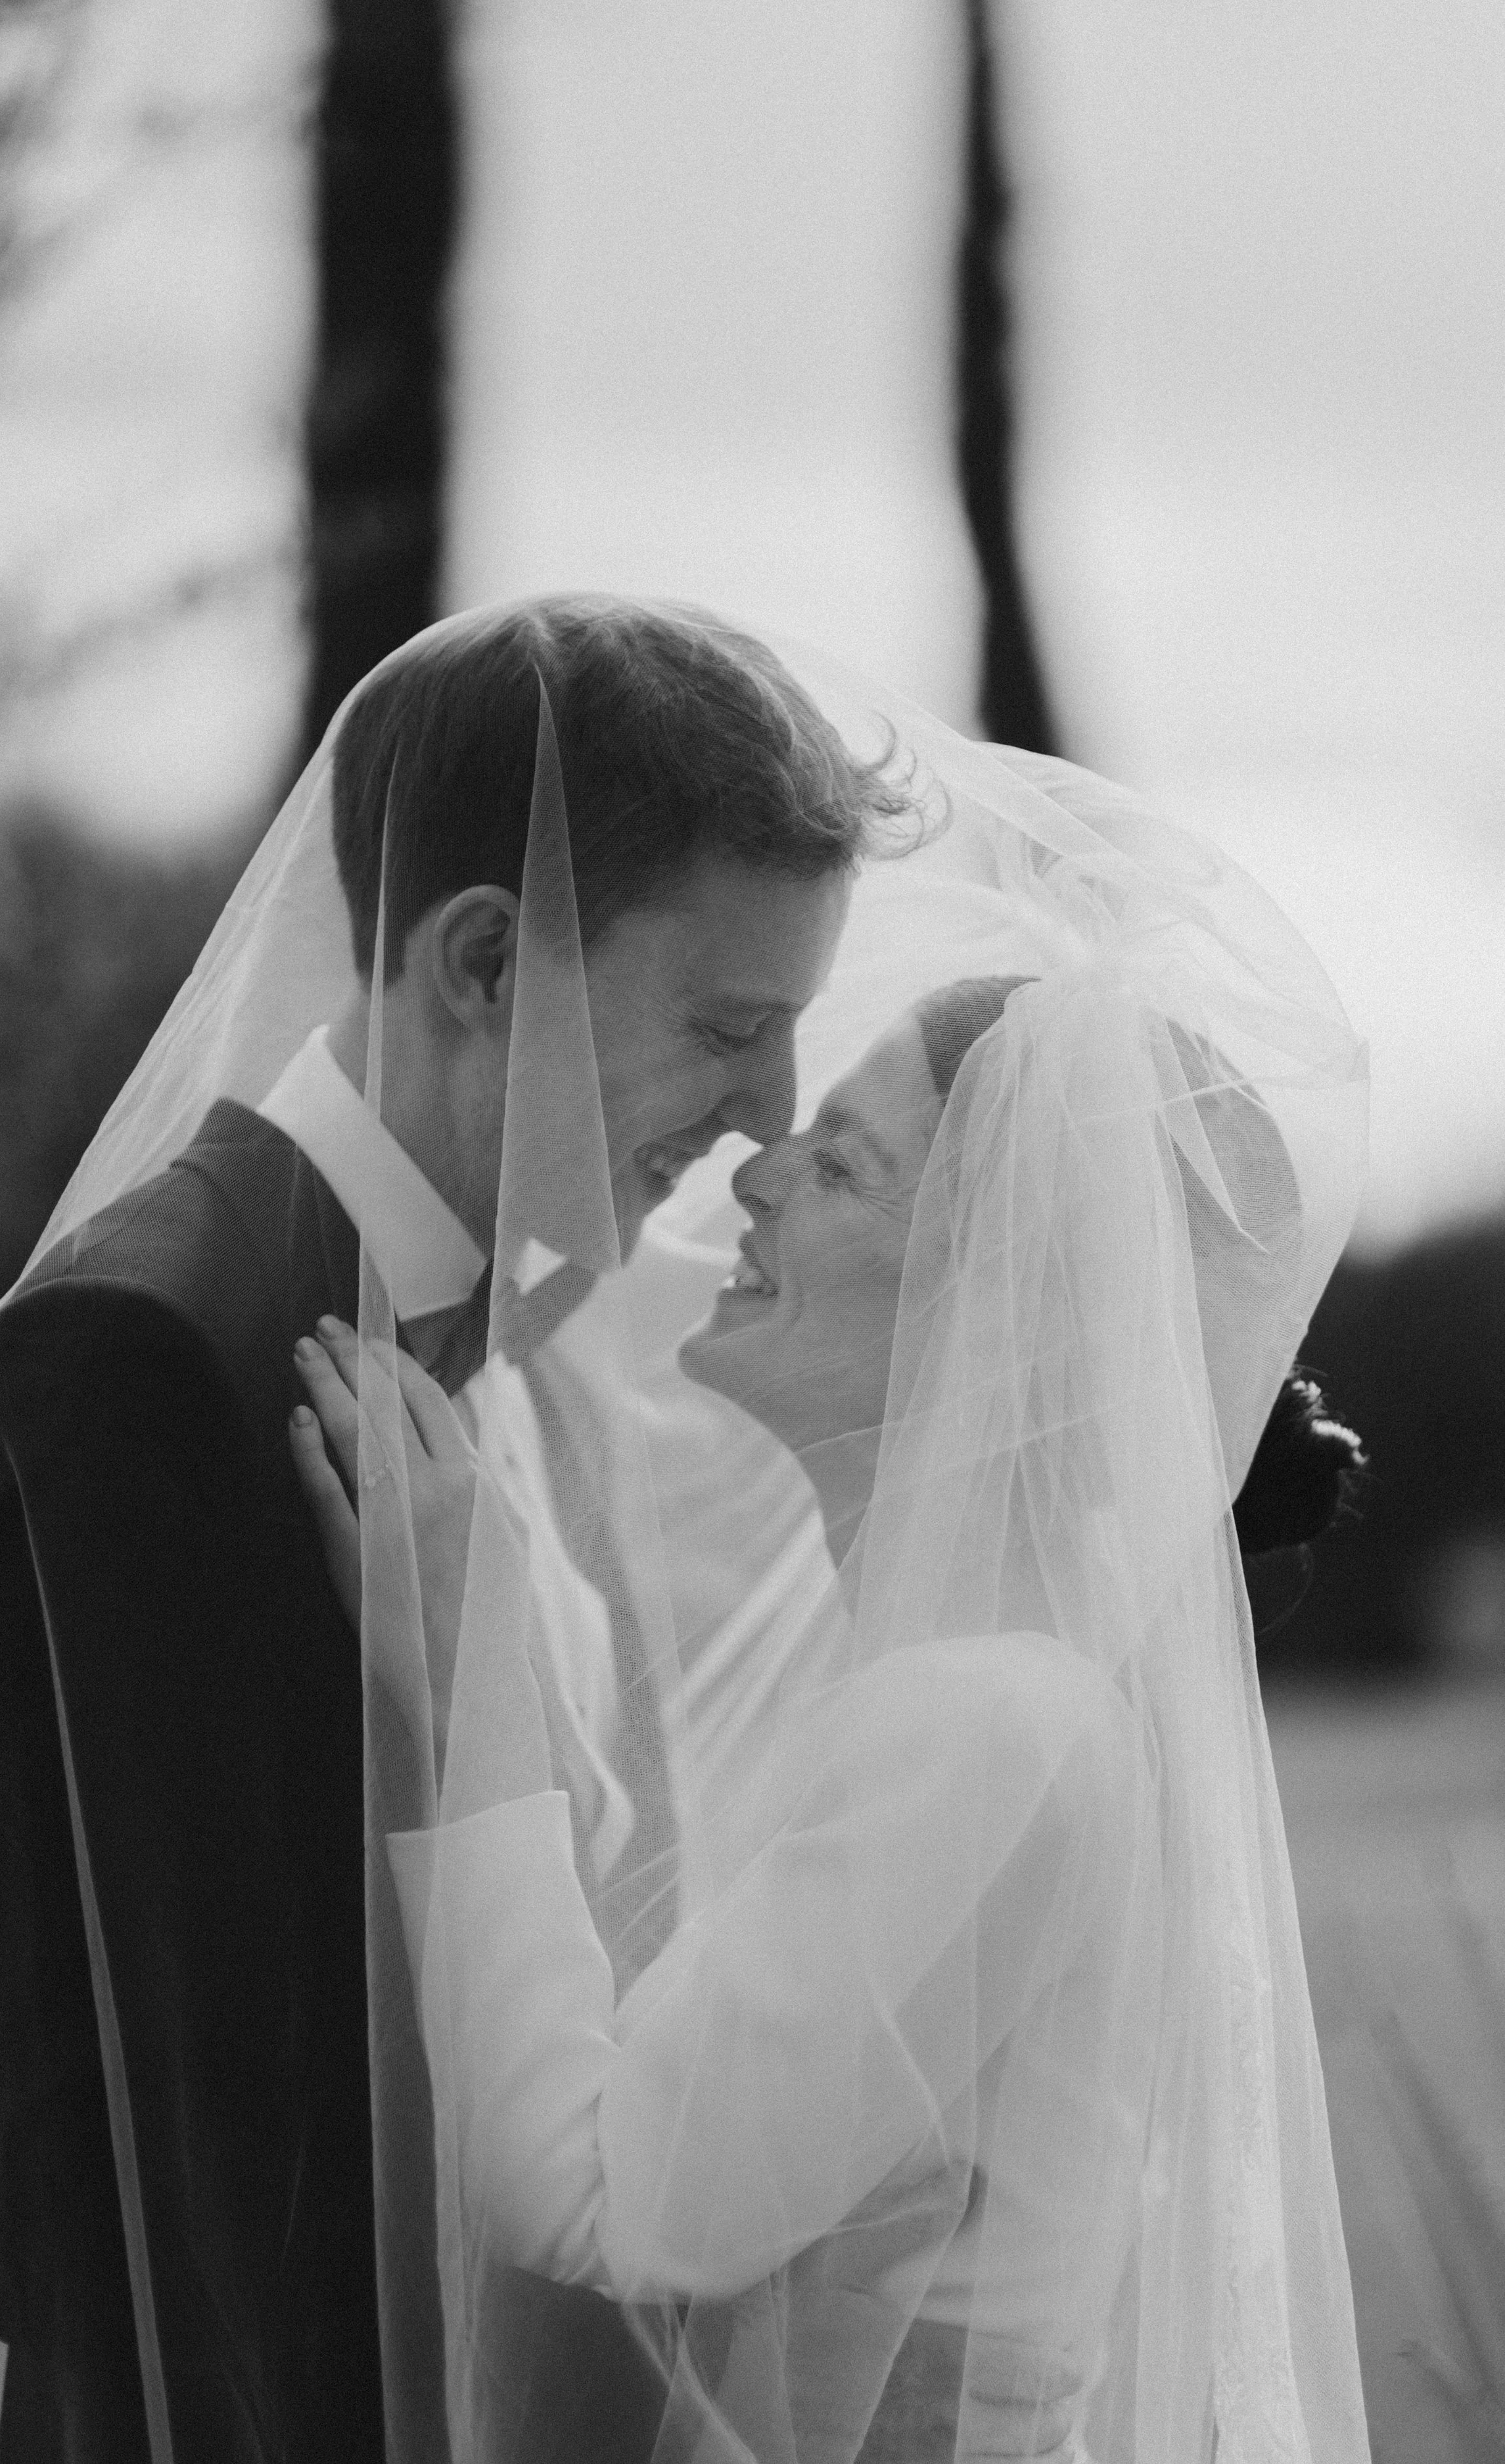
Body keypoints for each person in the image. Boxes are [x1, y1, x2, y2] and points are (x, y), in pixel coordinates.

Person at [279, 641, 1374, 2462]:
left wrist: (453, 1653)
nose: (761, 1165)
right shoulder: (957, 1683)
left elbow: (600, 2203)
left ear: (986, 1310)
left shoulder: (983, 1724)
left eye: (845, 1161)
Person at [0, 599, 906, 2463]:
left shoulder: (543, 1352)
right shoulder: (142, 1367)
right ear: (483, 956)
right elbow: (64, 2197)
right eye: (728, 1030)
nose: (766, 1120)